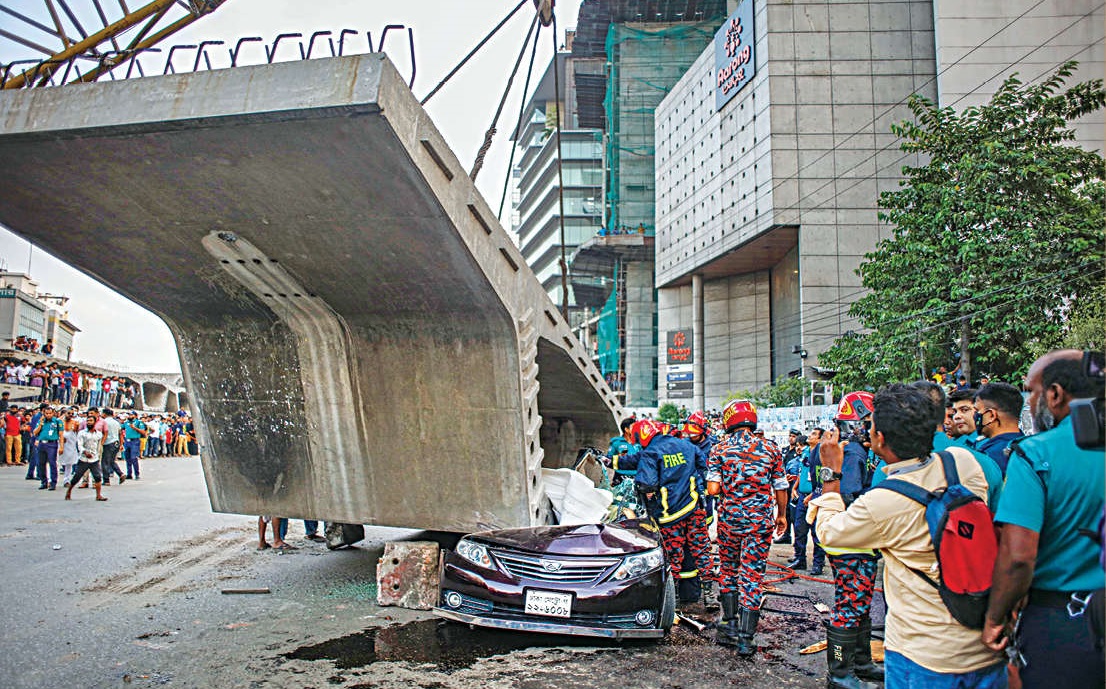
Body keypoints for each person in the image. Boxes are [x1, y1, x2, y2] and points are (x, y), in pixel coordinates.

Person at [812, 384, 1005, 689]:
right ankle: (846, 668)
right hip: (983, 647)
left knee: (852, 607)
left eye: (870, 425)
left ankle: (846, 669)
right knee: (852, 606)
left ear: (880, 438)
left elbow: (829, 533)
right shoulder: (962, 462)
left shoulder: (883, 501)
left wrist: (829, 475)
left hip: (923, 657)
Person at [983, 350, 1105, 689]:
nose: (1030, 401)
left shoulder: (1036, 452)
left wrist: (996, 617)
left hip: (1065, 622)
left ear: (1054, 394)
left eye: (1031, 391)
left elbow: (1018, 557)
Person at [706, 399, 788, 655]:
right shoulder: (771, 449)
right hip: (759, 523)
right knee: (752, 576)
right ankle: (746, 639)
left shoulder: (719, 449)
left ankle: (728, 625)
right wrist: (782, 516)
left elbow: (712, 489)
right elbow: (781, 486)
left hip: (730, 521)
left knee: (728, 570)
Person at [816, 391, 884, 688]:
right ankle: (841, 673)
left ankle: (862, 662)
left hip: (851, 539)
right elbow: (850, 497)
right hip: (851, 541)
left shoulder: (849, 449)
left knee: (860, 604)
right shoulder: (854, 452)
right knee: (850, 605)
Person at [631, 418, 717, 615]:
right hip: (694, 508)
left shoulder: (651, 452)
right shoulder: (686, 445)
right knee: (702, 551)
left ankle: (673, 602)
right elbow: (703, 468)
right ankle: (710, 595)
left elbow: (647, 484)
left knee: (673, 557)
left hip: (670, 515)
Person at [787, 428, 825, 571]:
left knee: (817, 532)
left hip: (816, 496)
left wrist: (812, 495)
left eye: (814, 434)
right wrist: (795, 488)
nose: (810, 435)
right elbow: (802, 472)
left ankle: (818, 564)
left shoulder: (822, 454)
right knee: (799, 529)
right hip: (802, 496)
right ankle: (800, 559)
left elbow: (823, 477)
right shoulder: (806, 452)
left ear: (820, 439)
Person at [971, 382, 1025, 476]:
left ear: (991, 415)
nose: (974, 416)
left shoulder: (987, 456)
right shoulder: (1028, 448)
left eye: (976, 411)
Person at [65, 411, 107, 502]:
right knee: (77, 477)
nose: (89, 422)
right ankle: (69, 492)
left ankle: (98, 495)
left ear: (95, 422)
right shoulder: (82, 433)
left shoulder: (99, 434)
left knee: (98, 477)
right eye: (88, 421)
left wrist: (97, 454)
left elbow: (99, 445)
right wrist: (84, 452)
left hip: (94, 458)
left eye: (91, 421)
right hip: (83, 458)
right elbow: (79, 445)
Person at [33, 405, 64, 491]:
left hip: (52, 444)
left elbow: (61, 435)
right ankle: (44, 482)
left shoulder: (57, 422)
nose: (48, 415)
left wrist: (61, 447)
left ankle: (53, 482)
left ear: (53, 413)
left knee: (52, 463)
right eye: (46, 413)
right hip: (41, 443)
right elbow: (35, 433)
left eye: (50, 413)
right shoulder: (41, 421)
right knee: (41, 463)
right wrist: (41, 424)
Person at [99, 407, 124, 485]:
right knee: (111, 460)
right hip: (116, 442)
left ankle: (106, 480)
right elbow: (120, 433)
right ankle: (120, 473)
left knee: (105, 462)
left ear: (104, 414)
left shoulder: (104, 422)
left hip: (108, 443)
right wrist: (121, 444)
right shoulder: (116, 422)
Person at [121, 411, 147, 480]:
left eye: (131, 415)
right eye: (129, 415)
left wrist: (134, 428)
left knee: (133, 458)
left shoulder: (139, 422)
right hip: (127, 440)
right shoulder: (126, 423)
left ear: (135, 416)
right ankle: (129, 474)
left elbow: (143, 432)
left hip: (135, 441)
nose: (129, 416)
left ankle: (137, 474)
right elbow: (121, 429)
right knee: (127, 458)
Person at [58, 408, 80, 488]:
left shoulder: (75, 423)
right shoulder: (59, 422)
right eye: (69, 413)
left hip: (71, 445)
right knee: (57, 462)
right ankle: (51, 480)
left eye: (72, 414)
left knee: (69, 464)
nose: (70, 415)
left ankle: (66, 480)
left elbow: (77, 433)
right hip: (60, 445)